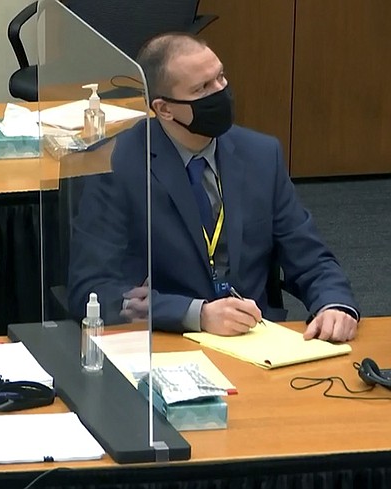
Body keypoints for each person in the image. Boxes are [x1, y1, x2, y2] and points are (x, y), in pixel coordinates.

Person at [68, 33, 359, 342]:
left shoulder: (261, 154)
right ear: (164, 109)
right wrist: (196, 313)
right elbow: (93, 289)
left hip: (258, 340)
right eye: (202, 88)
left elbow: (310, 256)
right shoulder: (116, 165)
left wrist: (335, 304)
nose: (220, 91)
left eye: (220, 77)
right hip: (169, 343)